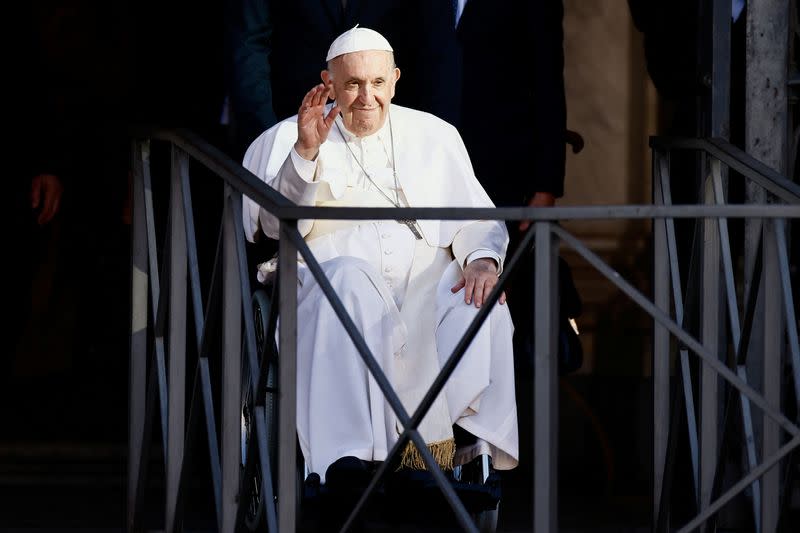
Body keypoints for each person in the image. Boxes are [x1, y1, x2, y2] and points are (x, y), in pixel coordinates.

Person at [242, 27, 518, 488]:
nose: (365, 97)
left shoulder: (435, 135)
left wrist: (483, 261)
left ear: (394, 80)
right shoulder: (287, 136)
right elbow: (270, 224)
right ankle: (346, 461)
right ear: (328, 82)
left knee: (481, 302)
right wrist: (306, 153)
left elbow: (477, 217)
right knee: (351, 282)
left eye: (376, 83)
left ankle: (465, 447)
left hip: (424, 288)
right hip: (330, 286)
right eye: (351, 84)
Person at [225, 0, 460, 159]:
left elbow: (436, 53)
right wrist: (269, 138)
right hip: (291, 129)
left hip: (391, 141)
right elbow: (249, 45)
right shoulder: (277, 140)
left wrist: (429, 145)